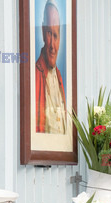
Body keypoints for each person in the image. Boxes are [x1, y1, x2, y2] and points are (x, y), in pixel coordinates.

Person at [36, 0, 67, 134]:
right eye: (49, 33)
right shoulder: (36, 75)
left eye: (55, 35)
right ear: (42, 31)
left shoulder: (59, 77)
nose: (52, 46)